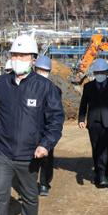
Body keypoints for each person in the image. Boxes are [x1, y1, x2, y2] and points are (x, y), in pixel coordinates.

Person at [0, 35, 64, 215]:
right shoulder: (0, 84)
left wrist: (45, 145)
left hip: (30, 154)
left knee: (29, 196)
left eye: (23, 55)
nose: (18, 59)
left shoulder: (44, 88)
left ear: (33, 59)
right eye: (15, 55)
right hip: (3, 152)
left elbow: (55, 120)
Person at [78, 58, 108, 187]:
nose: (100, 74)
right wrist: (81, 119)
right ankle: (100, 170)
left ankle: (102, 175)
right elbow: (83, 104)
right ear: (94, 73)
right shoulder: (88, 86)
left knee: (104, 147)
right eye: (97, 72)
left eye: (102, 72)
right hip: (93, 122)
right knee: (95, 147)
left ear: (107, 72)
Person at [34, 55, 60, 197]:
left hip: (46, 130)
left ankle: (44, 183)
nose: (42, 73)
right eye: (40, 70)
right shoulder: (27, 87)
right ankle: (30, 185)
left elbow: (56, 114)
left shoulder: (54, 89)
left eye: (45, 70)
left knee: (47, 158)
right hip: (31, 129)